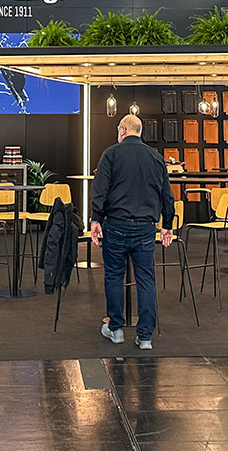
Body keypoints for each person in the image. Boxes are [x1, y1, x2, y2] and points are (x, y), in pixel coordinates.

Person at [90, 114, 174, 351]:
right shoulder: (156, 157)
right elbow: (166, 195)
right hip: (146, 228)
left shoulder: (111, 154)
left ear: (122, 130)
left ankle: (116, 329)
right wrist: (167, 224)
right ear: (140, 131)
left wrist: (96, 219)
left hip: (116, 225)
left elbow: (100, 190)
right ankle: (145, 337)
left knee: (114, 276)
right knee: (146, 279)